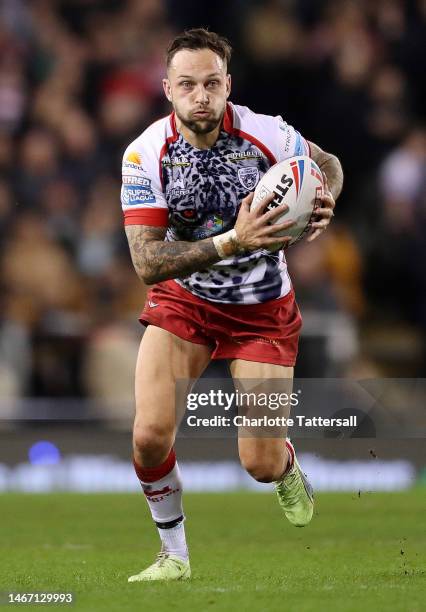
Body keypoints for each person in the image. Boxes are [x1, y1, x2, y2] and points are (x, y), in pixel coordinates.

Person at [122, 28, 343, 582]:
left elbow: (328, 162)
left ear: (228, 86)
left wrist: (325, 197)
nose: (201, 95)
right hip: (185, 302)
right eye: (188, 84)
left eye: (212, 83)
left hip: (262, 308)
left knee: (260, 465)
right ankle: (174, 555)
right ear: (168, 89)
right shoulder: (145, 153)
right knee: (149, 436)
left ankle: (286, 463)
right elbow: (147, 263)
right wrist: (231, 242)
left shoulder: (269, 134)